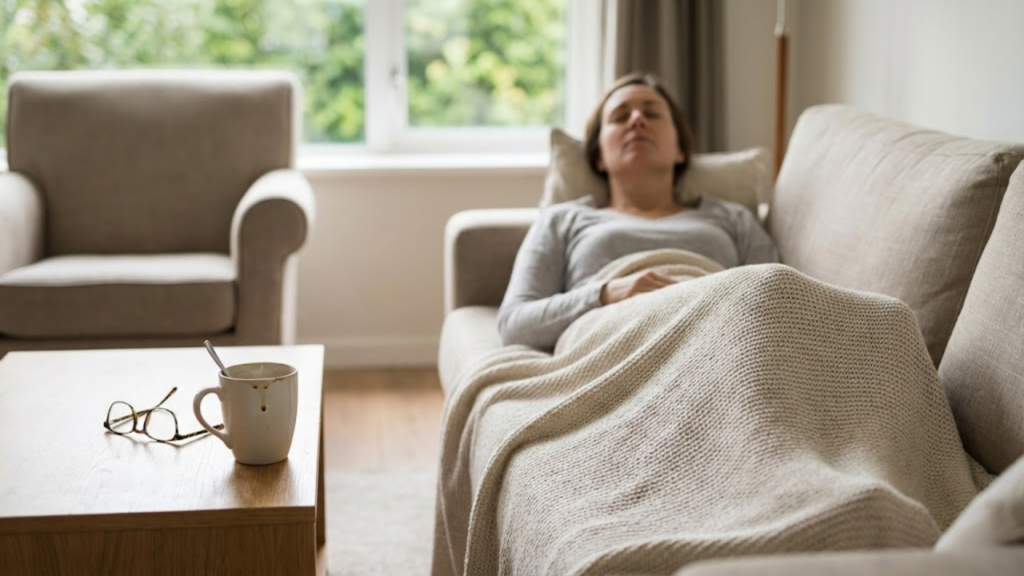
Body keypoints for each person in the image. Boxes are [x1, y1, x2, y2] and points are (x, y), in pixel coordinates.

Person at [498, 73, 779, 350]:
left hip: (711, 344)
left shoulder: (733, 218)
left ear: (680, 149)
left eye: (652, 113)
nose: (637, 120)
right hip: (607, 345)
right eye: (620, 117)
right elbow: (514, 324)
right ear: (598, 156)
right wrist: (605, 293)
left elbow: (776, 300)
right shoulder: (562, 220)